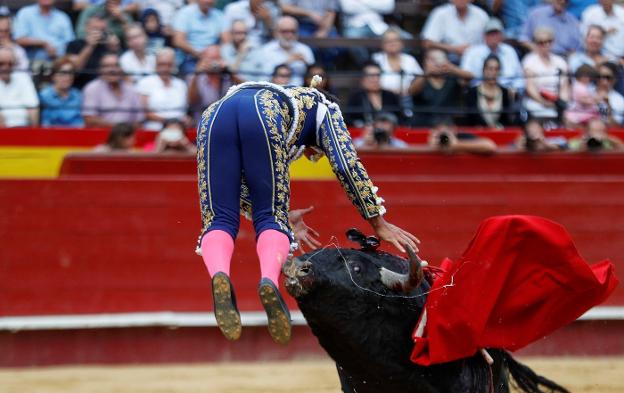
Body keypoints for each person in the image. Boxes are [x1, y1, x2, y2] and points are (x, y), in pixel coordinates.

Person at [196, 78, 419, 344]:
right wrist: (377, 221)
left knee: (219, 218)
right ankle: (268, 280)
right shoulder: (325, 107)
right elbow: (346, 165)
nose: (316, 155)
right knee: (271, 219)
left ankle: (219, 273)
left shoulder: (286, 107)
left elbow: (242, 186)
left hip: (212, 115)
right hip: (264, 113)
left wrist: (282, 212)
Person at [410, 49, 472, 127]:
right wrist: (427, 73)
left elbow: (470, 77)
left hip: (447, 125)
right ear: (425, 62)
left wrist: (452, 68)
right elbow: (412, 91)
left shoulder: (452, 79)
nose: (436, 63)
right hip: (422, 124)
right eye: (432, 60)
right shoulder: (420, 78)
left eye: (439, 59)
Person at [522, 27, 570, 126]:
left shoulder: (560, 61)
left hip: (557, 102)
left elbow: (565, 87)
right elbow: (530, 87)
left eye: (549, 41)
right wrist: (544, 102)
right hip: (537, 102)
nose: (546, 45)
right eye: (542, 42)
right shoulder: (530, 61)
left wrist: (561, 102)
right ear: (536, 44)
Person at [460, 17, 524, 92]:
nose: (493, 37)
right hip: (479, 92)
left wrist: (515, 90)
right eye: (490, 34)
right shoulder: (472, 52)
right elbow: (464, 77)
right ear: (484, 36)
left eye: (496, 33)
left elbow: (520, 77)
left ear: (501, 35)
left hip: (507, 93)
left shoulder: (510, 51)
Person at [82, 53, 144, 127]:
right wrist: (119, 128)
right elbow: (89, 119)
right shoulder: (92, 88)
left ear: (121, 69)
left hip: (128, 136)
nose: (112, 70)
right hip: (101, 135)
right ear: (100, 70)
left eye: (116, 66)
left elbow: (139, 120)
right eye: (107, 66)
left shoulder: (131, 90)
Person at [420, 0, 489, 64]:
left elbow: (489, 41)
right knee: (435, 55)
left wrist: (471, 51)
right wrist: (454, 49)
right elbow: (427, 42)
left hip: (475, 59)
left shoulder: (481, 15)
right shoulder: (440, 13)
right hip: (448, 60)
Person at [137, 47, 188, 131]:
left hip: (180, 130)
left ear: (174, 65)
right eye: (161, 64)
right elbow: (145, 113)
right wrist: (171, 122)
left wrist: (185, 120)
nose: (165, 68)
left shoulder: (181, 84)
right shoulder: (145, 83)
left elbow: (185, 111)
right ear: (156, 65)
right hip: (154, 130)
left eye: (169, 64)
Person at [66, 14, 121, 89]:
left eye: (102, 30)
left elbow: (118, 70)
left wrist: (115, 49)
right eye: (95, 29)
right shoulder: (74, 45)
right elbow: (74, 70)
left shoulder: (107, 46)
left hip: (106, 88)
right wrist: (90, 46)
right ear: (87, 28)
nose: (99, 33)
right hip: (80, 87)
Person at [255, 16, 314, 85]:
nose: (289, 35)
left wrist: (307, 65)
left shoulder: (305, 49)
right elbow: (262, 79)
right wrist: (287, 62)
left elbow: (313, 76)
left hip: (301, 91)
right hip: (274, 91)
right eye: (285, 31)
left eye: (293, 31)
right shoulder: (266, 50)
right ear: (276, 32)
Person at [172, 0, 224, 75]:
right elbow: (178, 41)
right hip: (190, 57)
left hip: (213, 57)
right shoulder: (185, 13)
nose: (208, 1)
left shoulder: (219, 15)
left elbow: (226, 41)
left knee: (226, 69)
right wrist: (200, 55)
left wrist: (214, 55)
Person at [463, 55, 516, 128]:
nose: (493, 72)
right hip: (478, 135)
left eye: (496, 69)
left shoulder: (505, 92)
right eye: (490, 69)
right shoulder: (473, 92)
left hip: (499, 134)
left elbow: (506, 119)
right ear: (484, 70)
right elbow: (470, 119)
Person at [345, 61, 403, 127]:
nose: (376, 79)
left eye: (378, 75)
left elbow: (400, 119)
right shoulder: (355, 97)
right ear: (363, 78)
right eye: (371, 76)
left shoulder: (390, 96)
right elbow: (349, 120)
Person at [372, 27, 423, 98]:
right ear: (382, 44)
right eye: (388, 41)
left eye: (396, 40)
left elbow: (420, 78)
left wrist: (409, 90)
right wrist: (391, 93)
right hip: (383, 99)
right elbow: (370, 81)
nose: (392, 44)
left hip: (407, 98)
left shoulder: (410, 60)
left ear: (402, 43)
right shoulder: (376, 59)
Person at [187, 45, 234, 122]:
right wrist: (197, 74)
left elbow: (245, 88)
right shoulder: (194, 78)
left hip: (226, 121)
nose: (214, 62)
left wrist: (230, 72)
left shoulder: (228, 77)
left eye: (217, 58)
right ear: (203, 60)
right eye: (211, 59)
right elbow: (192, 101)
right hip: (203, 123)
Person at [39, 57, 84, 127]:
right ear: (53, 76)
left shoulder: (78, 96)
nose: (68, 77)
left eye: (71, 73)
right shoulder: (44, 96)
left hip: (76, 135)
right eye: (63, 73)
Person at [0, 47, 39, 127]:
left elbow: (33, 107)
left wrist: (34, 133)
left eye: (10, 64)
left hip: (24, 129)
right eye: (1, 63)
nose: (5, 67)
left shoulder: (24, 78)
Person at [428, 116, 497, 154]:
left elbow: (490, 146)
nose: (443, 138)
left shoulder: (462, 136)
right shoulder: (433, 139)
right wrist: (432, 145)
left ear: (454, 130)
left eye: (445, 133)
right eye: (439, 133)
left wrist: (456, 145)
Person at [564, 64, 601, 128]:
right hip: (579, 112)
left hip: (585, 111)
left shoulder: (584, 86)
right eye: (587, 76)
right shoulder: (579, 87)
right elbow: (583, 100)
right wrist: (594, 101)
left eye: (590, 77)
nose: (589, 79)